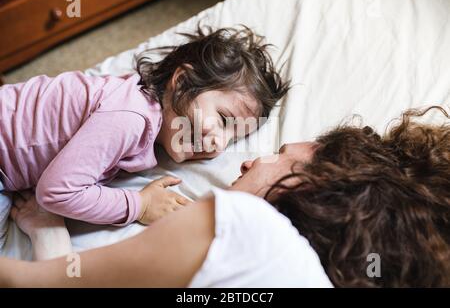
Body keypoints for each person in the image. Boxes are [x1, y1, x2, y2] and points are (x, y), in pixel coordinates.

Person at [1, 107, 448, 287]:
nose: (245, 161)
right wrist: (49, 231)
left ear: (309, 185)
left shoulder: (250, 229)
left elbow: (27, 284)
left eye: (275, 155)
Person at [0, 26, 290, 250]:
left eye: (232, 138)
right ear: (183, 81)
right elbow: (57, 192)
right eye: (224, 120)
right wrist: (140, 205)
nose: (219, 143)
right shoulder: (130, 117)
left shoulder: (142, 111)